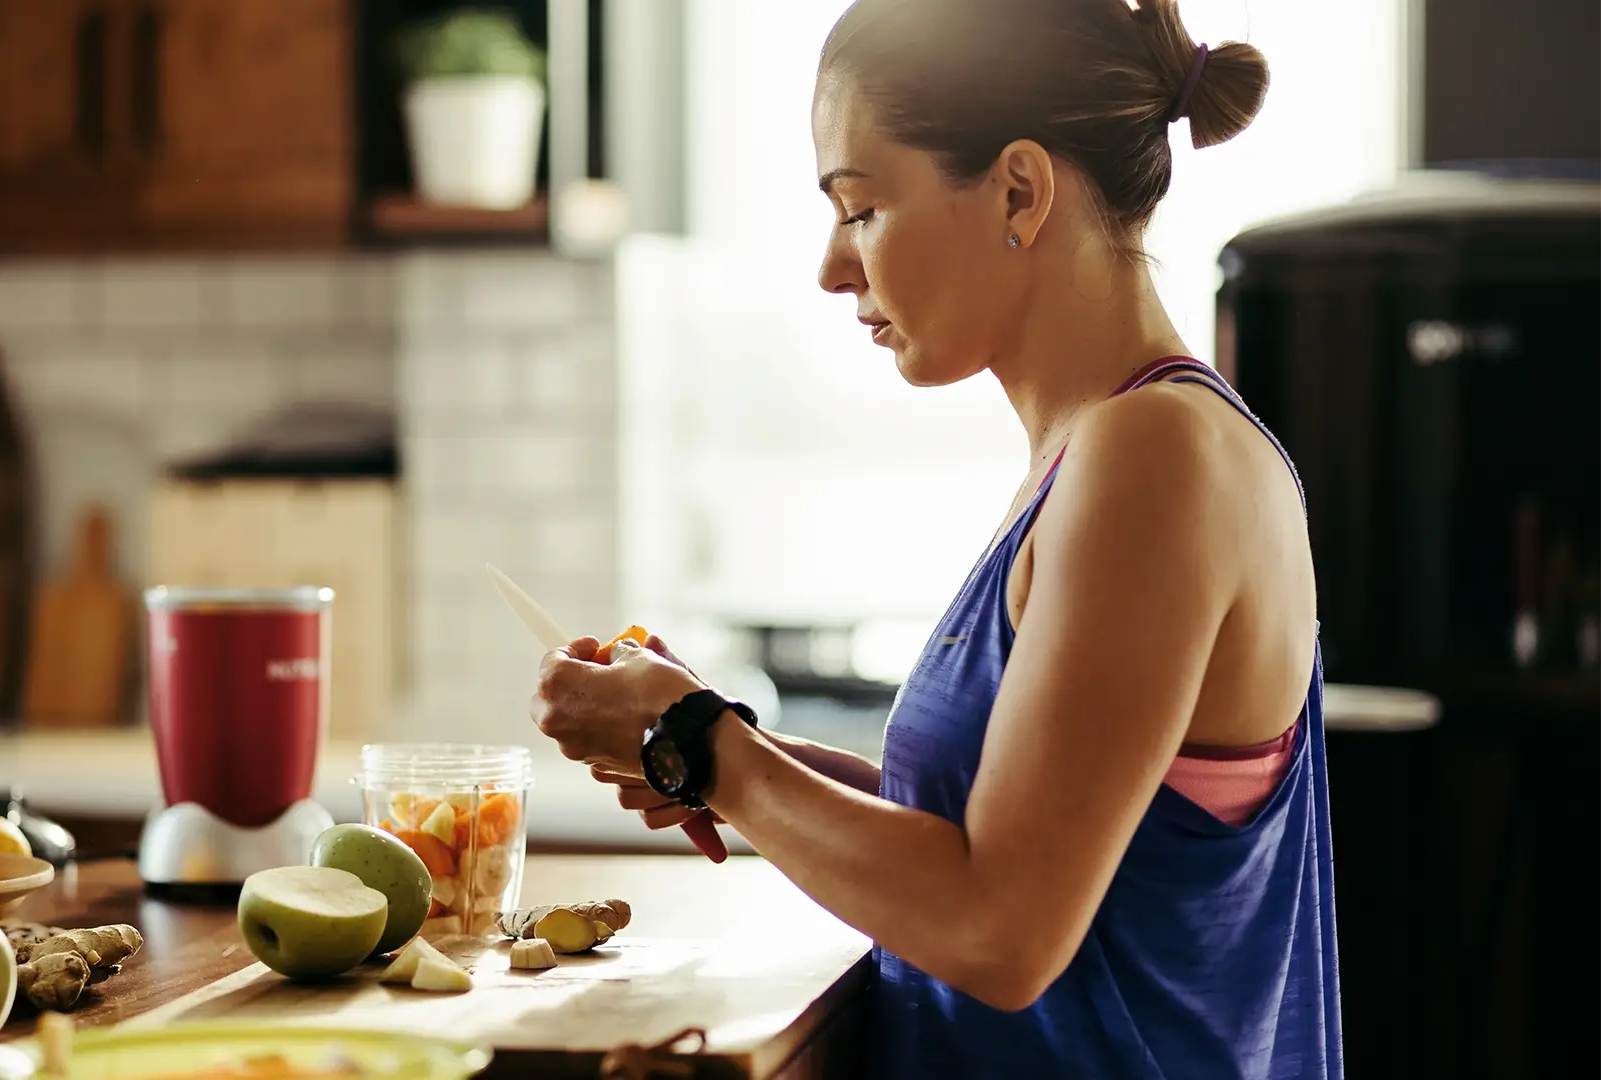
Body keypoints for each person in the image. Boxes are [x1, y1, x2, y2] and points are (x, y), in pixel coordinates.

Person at [527, 0, 1339, 1076]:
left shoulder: (1156, 459)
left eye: (860, 209)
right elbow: (1000, 839)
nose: (833, 265)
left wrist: (703, 751)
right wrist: (720, 743)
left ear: (1018, 189)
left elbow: (1001, 931)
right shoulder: (1102, 454)